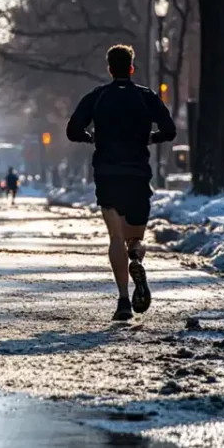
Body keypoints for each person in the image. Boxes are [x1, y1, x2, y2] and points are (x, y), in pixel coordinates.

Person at [67, 44, 176, 321]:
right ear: (131, 67)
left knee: (115, 237)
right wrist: (149, 137)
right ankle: (136, 259)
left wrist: (92, 137)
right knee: (135, 238)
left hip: (107, 174)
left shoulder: (98, 96)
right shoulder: (146, 96)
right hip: (138, 174)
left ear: (109, 69)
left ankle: (124, 301)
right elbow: (170, 130)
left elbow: (72, 130)